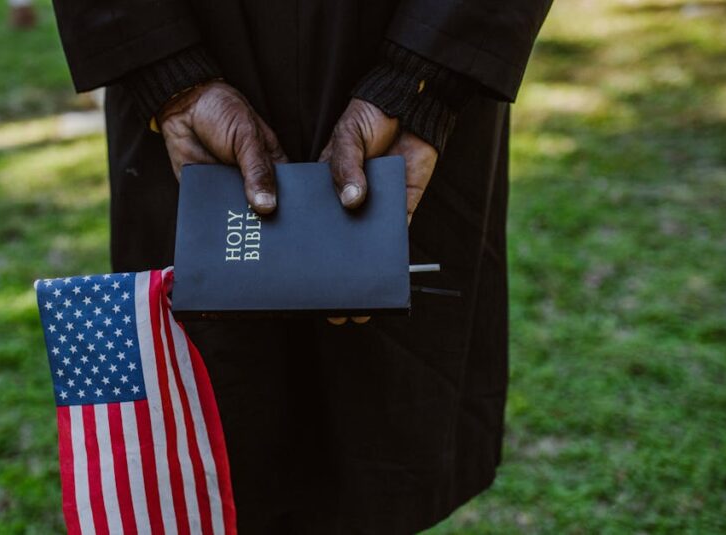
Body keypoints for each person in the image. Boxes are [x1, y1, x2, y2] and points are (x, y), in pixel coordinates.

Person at [50, 0, 552, 532]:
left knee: (386, 421)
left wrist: (423, 80)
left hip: (407, 70)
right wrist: (168, 76)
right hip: (189, 73)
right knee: (211, 414)